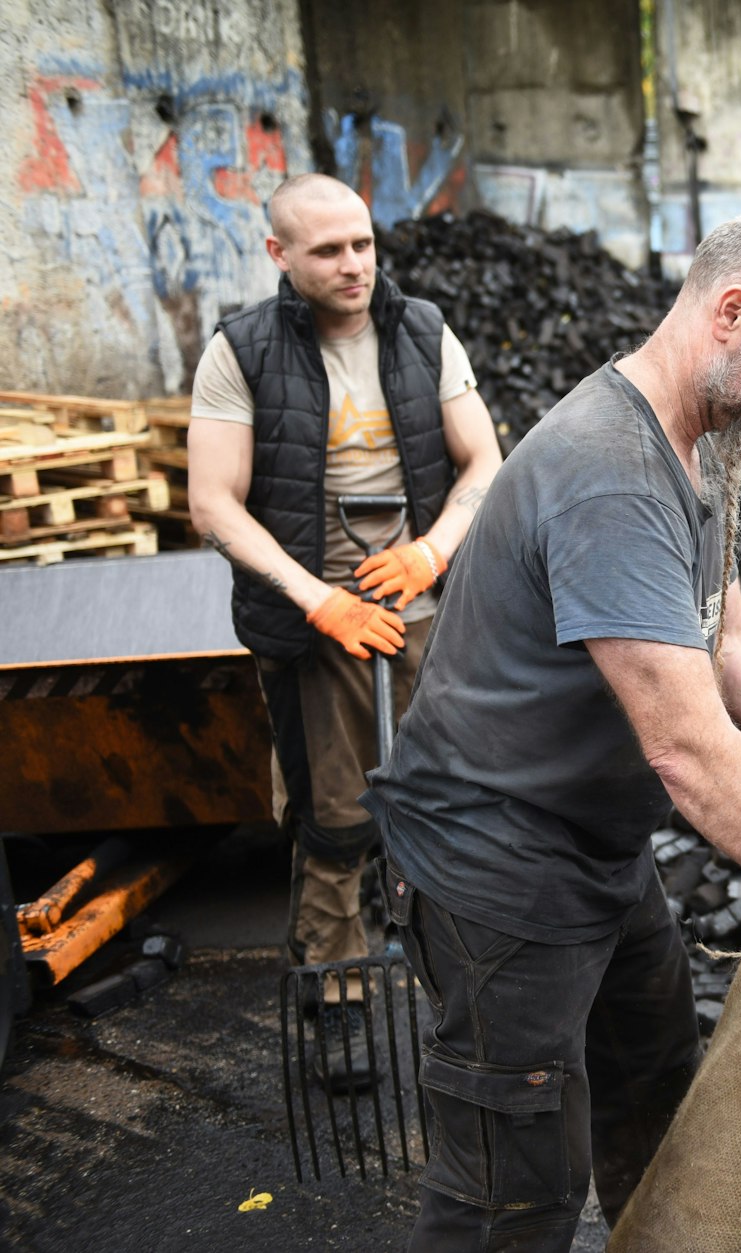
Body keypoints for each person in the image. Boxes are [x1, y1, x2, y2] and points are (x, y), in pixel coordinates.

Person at [362, 209, 741, 1250]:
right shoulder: (606, 469)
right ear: (732, 312)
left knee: (653, 1093)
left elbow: (726, 623)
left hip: (597, 852)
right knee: (511, 1188)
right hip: (497, 865)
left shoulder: (695, 445)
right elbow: (684, 743)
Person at [188, 173, 502, 1088]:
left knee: (451, 800)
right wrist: (317, 598)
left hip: (428, 617)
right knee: (332, 820)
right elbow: (214, 502)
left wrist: (433, 553)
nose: (354, 264)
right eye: (328, 250)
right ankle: (337, 995)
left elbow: (483, 458)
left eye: (363, 243)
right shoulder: (241, 350)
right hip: (316, 629)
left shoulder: (420, 331)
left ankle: (464, 987)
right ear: (281, 255)